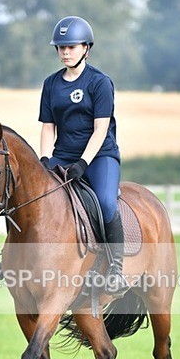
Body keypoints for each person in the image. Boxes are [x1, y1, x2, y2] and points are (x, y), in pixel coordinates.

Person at [39, 15, 128, 296]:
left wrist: (83, 163)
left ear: (86, 48)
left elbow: (101, 129)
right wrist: (44, 160)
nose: (65, 52)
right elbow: (48, 127)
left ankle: (116, 269)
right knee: (32, 193)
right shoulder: (50, 84)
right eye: (61, 47)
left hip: (100, 157)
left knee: (106, 203)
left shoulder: (100, 83)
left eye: (71, 47)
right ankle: (15, 258)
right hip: (62, 155)